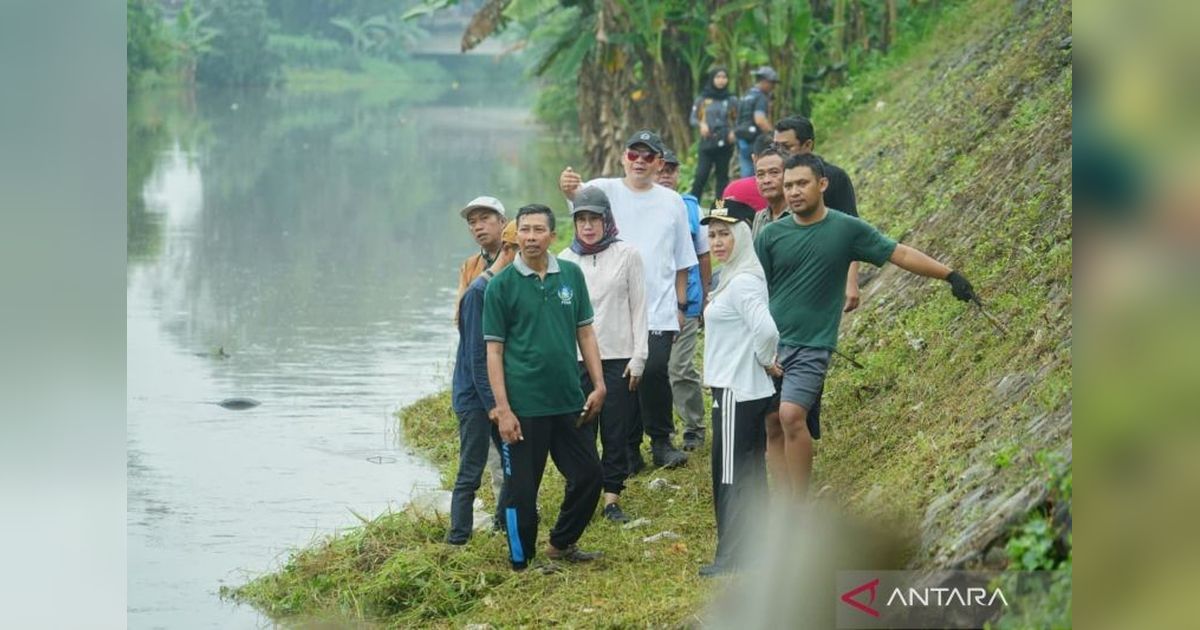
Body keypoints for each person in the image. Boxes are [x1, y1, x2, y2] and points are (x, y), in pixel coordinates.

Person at [753, 154, 980, 498]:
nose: (794, 192)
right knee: (771, 423)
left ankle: (799, 506)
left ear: (822, 184)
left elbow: (898, 253)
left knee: (791, 415)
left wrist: (949, 275)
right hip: (769, 343)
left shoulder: (846, 229)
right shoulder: (771, 236)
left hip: (813, 344)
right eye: (789, 186)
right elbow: (752, 286)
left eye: (802, 183)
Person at [559, 130, 697, 470]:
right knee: (624, 378)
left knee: (652, 371)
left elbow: (682, 259)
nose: (639, 162)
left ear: (659, 163)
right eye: (633, 155)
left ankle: (661, 439)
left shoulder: (672, 201)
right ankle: (629, 449)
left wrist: (681, 306)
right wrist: (568, 187)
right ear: (623, 157)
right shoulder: (605, 188)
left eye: (647, 157)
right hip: (613, 309)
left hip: (659, 306)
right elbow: (580, 202)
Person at [484, 204, 608, 570]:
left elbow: (585, 332)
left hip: (568, 400)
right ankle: (522, 562)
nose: (532, 237)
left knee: (590, 475)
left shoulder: (570, 275)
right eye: (525, 230)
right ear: (516, 235)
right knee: (522, 492)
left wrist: (599, 384)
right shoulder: (501, 286)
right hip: (523, 408)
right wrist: (503, 410)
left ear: (553, 236)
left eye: (539, 230)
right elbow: (494, 351)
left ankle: (562, 543)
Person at [698, 198, 779, 577]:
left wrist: (765, 359)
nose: (716, 242)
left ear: (741, 236)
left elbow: (766, 329)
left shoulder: (743, 281)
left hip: (734, 391)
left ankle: (730, 557)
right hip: (745, 390)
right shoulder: (735, 274)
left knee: (729, 474)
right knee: (749, 472)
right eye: (712, 234)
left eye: (724, 234)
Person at [558, 186, 648, 523]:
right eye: (582, 219)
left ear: (606, 219)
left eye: (595, 218)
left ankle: (612, 497)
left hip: (619, 357)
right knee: (580, 429)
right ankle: (583, 491)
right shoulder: (565, 261)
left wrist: (639, 356)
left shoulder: (628, 254)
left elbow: (639, 308)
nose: (588, 226)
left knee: (615, 430)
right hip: (577, 360)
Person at [447, 220, 519, 545]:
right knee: (470, 470)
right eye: (520, 251)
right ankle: (457, 539)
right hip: (475, 397)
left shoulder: (504, 287)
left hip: (493, 395)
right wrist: (494, 406)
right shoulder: (478, 292)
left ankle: (503, 528)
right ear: (508, 250)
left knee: (511, 465)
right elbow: (478, 357)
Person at [455, 197, 508, 499]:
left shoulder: (518, 257)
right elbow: (461, 316)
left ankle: (516, 510)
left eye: (484, 218)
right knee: (490, 454)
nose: (478, 226)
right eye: (472, 222)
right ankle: (505, 513)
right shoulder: (471, 267)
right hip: (481, 364)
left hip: (512, 364)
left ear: (503, 221)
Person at [659, 149, 711, 452]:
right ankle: (661, 433)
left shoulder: (693, 209)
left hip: (687, 303)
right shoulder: (638, 208)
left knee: (679, 368)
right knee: (654, 371)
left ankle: (693, 426)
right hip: (651, 306)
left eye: (671, 169)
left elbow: (704, 255)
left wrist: (705, 296)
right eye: (661, 168)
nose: (665, 174)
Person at [773, 115, 857, 217]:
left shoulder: (834, 177)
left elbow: (849, 224)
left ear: (807, 145)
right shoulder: (772, 179)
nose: (779, 152)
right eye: (776, 146)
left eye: (786, 147)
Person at [688, 67, 738, 202]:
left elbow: (738, 119)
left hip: (725, 142)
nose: (721, 80)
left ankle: (719, 211)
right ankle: (692, 204)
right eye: (718, 77)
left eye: (724, 77)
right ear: (712, 79)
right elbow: (693, 118)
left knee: (722, 177)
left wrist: (734, 132)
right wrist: (701, 125)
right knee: (701, 175)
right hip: (707, 142)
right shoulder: (702, 99)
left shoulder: (731, 99)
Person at [733, 66, 779, 177]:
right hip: (754, 140)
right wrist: (774, 135)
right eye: (772, 83)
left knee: (746, 172)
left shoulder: (746, 95)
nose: (773, 87)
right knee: (756, 172)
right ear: (764, 81)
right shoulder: (761, 97)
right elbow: (760, 120)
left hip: (742, 139)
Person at [721, 134, 774, 211]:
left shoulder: (732, 188)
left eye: (774, 172)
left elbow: (720, 220)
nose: (767, 181)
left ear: (754, 158)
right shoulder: (789, 190)